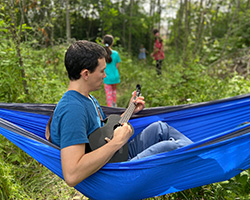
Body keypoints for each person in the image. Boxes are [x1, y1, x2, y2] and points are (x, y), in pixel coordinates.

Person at [47, 40, 193, 187]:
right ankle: (205, 160)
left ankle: (201, 155)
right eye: (102, 71)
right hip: (113, 176)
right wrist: (117, 142)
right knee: (170, 148)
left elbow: (102, 134)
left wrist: (130, 110)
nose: (105, 75)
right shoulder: (73, 110)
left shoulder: (87, 98)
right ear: (86, 74)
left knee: (161, 128)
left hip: (115, 157)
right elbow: (72, 174)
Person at [103, 34, 121, 107]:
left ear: (103, 42)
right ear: (112, 43)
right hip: (115, 76)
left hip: (107, 76)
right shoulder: (116, 54)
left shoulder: (102, 54)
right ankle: (115, 106)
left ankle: (110, 108)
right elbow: (117, 66)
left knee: (108, 94)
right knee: (114, 92)